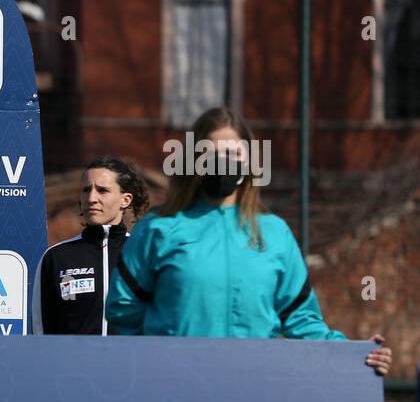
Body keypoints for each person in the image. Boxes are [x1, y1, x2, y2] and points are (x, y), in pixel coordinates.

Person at [106, 106, 391, 375]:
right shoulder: (158, 229)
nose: (223, 162)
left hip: (255, 387)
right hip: (178, 386)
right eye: (212, 153)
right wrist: (167, 347)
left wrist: (356, 354)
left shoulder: (275, 234)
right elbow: (122, 309)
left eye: (233, 153)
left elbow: (301, 320)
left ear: (249, 160)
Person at [33, 156, 150, 335]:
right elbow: (41, 330)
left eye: (102, 190)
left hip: (132, 361)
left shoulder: (143, 254)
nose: (91, 198)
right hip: (74, 362)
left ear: (125, 200)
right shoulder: (56, 257)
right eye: (86, 190)